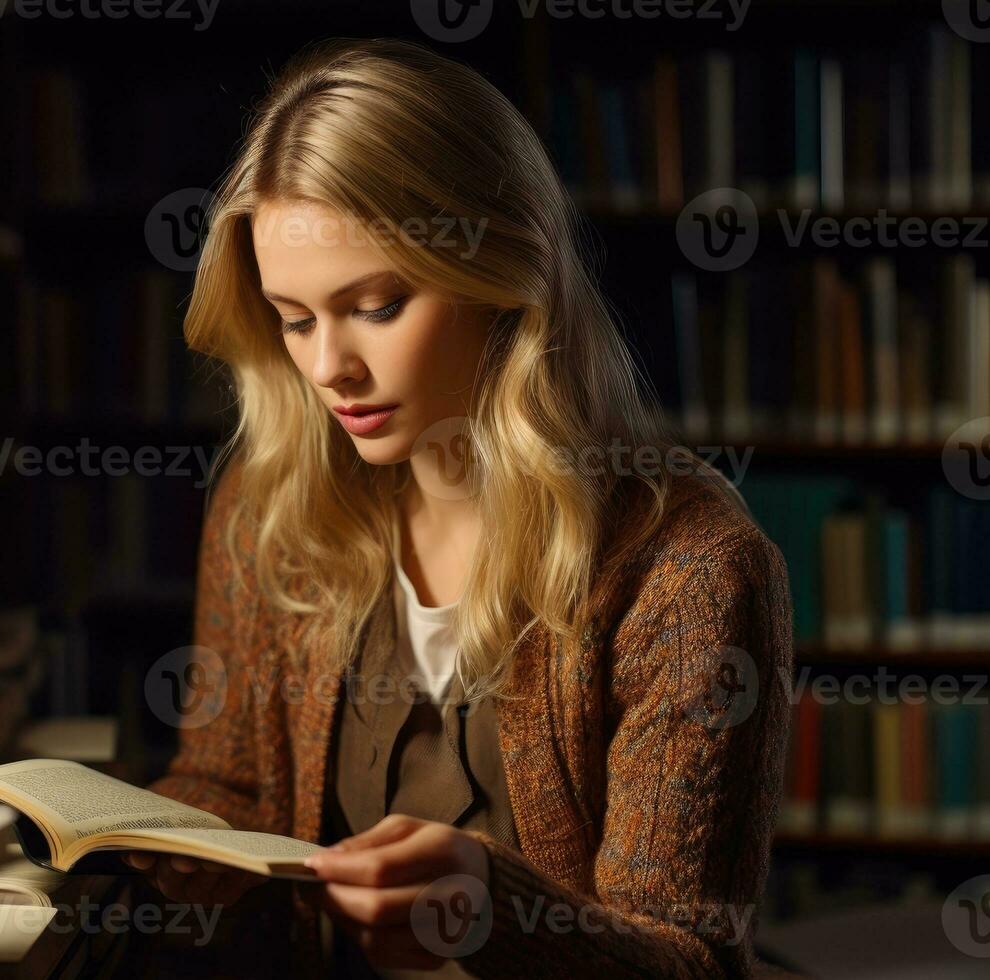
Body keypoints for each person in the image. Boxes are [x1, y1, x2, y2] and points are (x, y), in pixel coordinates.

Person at [128, 37, 793, 979]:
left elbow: (688, 962)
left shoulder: (688, 566)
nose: (329, 370)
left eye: (377, 305)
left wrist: (497, 913)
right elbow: (232, 782)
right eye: (295, 317)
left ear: (504, 278)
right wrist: (123, 852)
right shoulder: (269, 507)